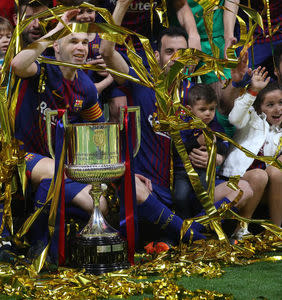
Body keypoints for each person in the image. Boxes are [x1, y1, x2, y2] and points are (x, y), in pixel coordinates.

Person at [100, 0, 252, 250]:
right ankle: (193, 234)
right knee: (132, 187)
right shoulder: (142, 83)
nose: (176, 59)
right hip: (151, 190)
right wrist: (122, 6)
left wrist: (216, 157)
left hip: (188, 192)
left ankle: (182, 230)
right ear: (157, 55)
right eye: (169, 52)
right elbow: (106, 52)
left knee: (243, 188)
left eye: (183, 52)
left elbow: (224, 112)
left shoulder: (194, 94)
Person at [11, 9, 107, 261]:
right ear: (56, 46)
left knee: (100, 203)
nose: (81, 47)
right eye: (73, 40)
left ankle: (50, 244)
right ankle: (41, 245)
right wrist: (56, 29)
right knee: (55, 173)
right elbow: (17, 64)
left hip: (59, 169)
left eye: (85, 42)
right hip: (21, 157)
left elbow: (99, 134)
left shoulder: (86, 86)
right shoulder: (41, 69)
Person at [221, 68, 282, 231]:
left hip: (265, 186)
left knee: (270, 174)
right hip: (237, 179)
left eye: (281, 103)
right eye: (270, 104)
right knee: (260, 175)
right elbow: (234, 118)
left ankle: (274, 231)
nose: (278, 109)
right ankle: (241, 229)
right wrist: (253, 91)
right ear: (260, 107)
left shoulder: (280, 131)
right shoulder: (252, 120)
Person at [172, 84, 230, 219]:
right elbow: (177, 148)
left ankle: (202, 223)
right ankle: (184, 224)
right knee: (180, 197)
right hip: (183, 171)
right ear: (189, 110)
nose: (208, 113)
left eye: (212, 109)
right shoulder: (184, 126)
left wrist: (216, 145)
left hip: (206, 171)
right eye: (202, 109)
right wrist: (197, 142)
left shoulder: (215, 127)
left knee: (205, 197)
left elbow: (226, 147)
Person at [74, 1, 127, 122]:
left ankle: (116, 139)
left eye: (89, 11)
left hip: (109, 81)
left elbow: (118, 67)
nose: (86, 16)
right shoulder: (68, 36)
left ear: (96, 12)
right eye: (80, 12)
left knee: (120, 108)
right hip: (84, 83)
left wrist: (109, 70)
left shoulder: (104, 34)